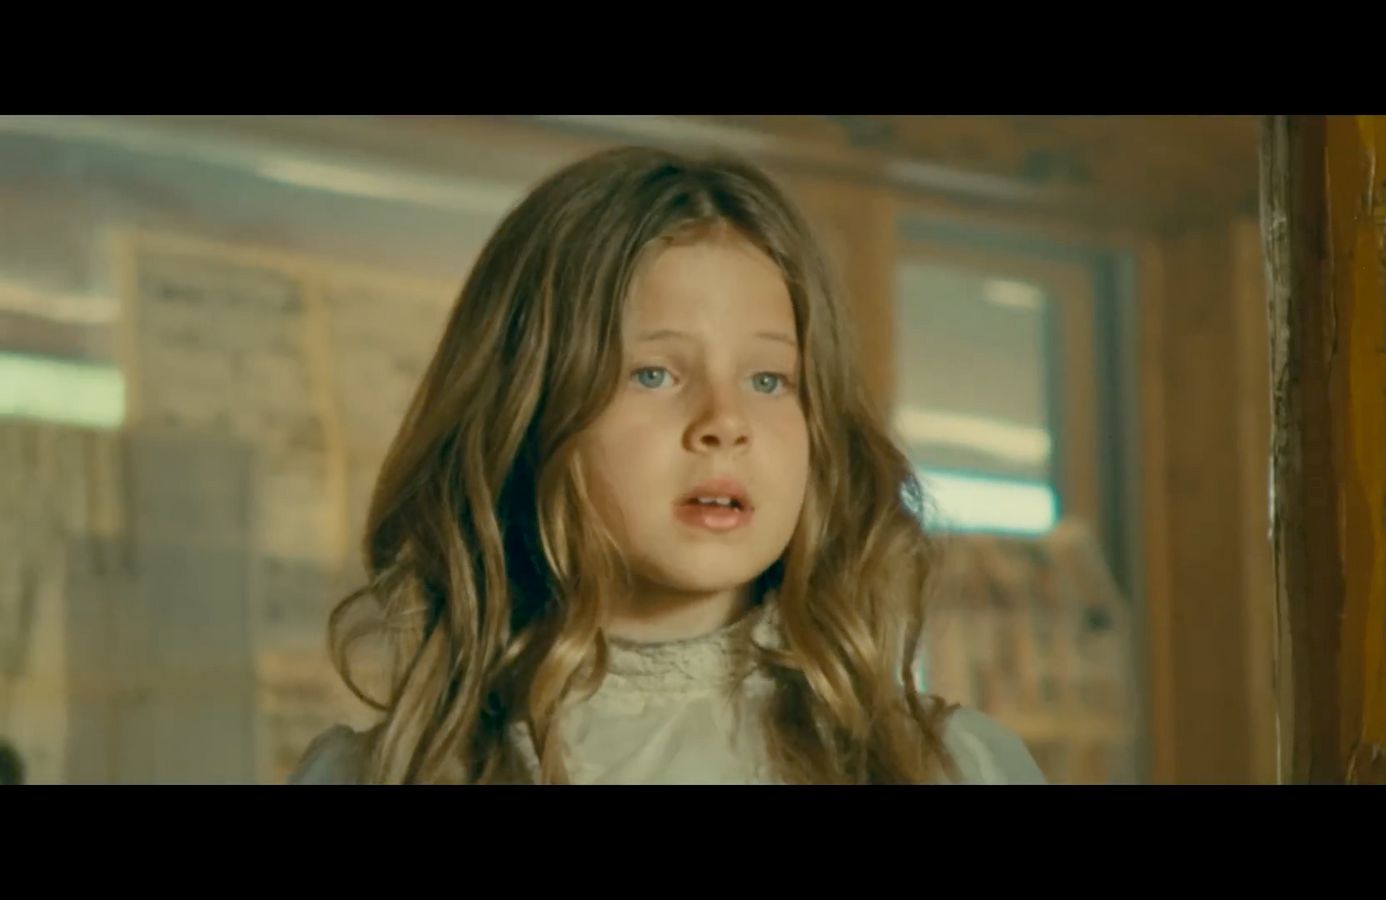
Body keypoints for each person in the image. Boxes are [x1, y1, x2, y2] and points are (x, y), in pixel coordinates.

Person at [290, 146, 1045, 785]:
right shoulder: (372, 774)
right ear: (526, 410)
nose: (724, 424)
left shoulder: (953, 768)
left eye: (769, 380)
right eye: (654, 374)